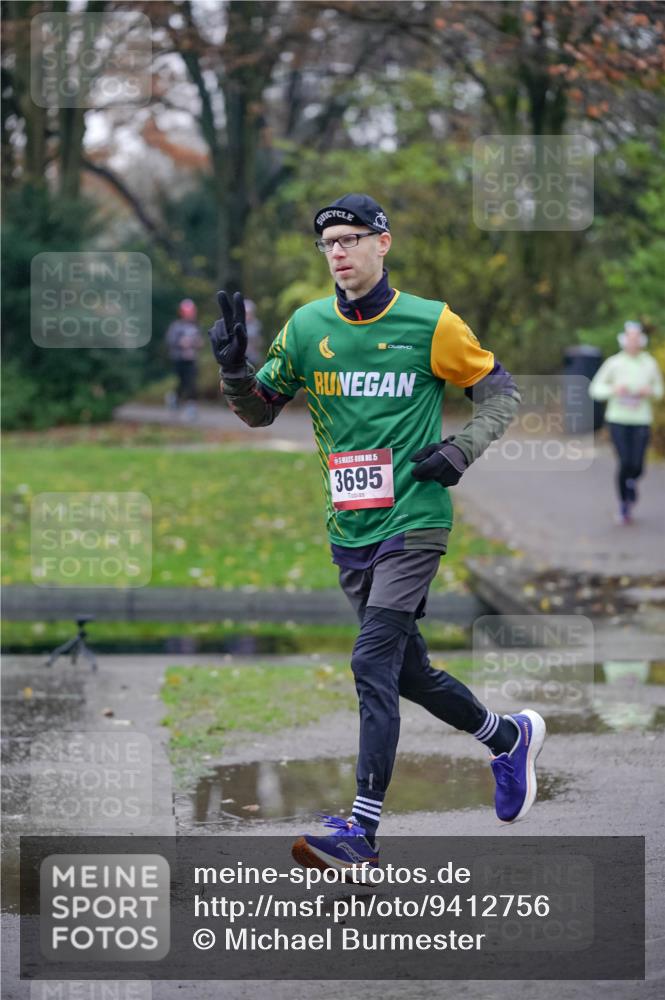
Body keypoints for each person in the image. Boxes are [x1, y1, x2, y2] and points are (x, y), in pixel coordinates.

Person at [208, 193, 546, 873]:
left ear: (382, 243)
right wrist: (234, 371)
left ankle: (360, 833)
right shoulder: (306, 328)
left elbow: (502, 393)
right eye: (328, 243)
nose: (338, 253)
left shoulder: (430, 323)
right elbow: (258, 414)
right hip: (350, 528)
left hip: (414, 520)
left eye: (351, 239)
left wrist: (460, 450)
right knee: (407, 671)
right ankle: (507, 738)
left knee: (369, 662)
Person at [589, 321, 663, 525]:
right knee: (625, 462)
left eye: (636, 339)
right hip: (618, 420)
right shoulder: (614, 363)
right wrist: (614, 390)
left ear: (641, 341)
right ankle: (624, 504)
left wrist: (649, 392)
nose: (633, 343)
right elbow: (595, 389)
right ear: (624, 341)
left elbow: (659, 391)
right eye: (629, 339)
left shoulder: (649, 363)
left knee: (638, 464)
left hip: (641, 420)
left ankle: (631, 483)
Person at [165, 299, 203, 417]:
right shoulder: (176, 326)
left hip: (191, 359)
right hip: (179, 359)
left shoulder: (196, 326)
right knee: (182, 383)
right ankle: (174, 397)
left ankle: (191, 408)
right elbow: (170, 341)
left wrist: (196, 343)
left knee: (191, 382)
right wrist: (181, 343)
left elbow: (199, 342)